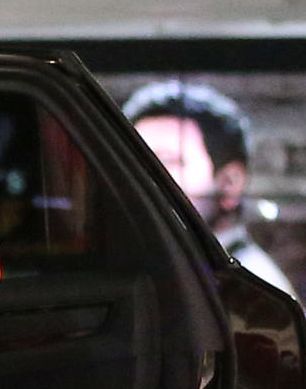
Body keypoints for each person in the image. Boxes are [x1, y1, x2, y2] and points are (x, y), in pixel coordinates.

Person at [123, 79, 295, 295]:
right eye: (134, 160)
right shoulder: (177, 267)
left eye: (169, 162)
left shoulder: (252, 292)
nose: (144, 176)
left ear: (230, 183)